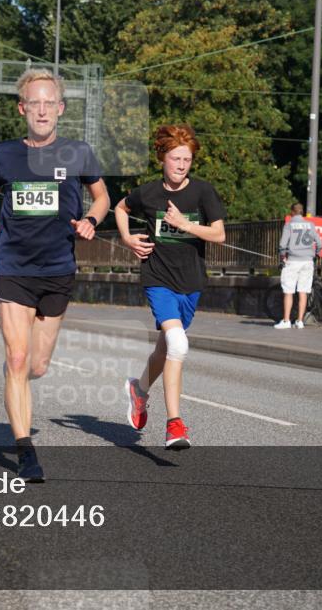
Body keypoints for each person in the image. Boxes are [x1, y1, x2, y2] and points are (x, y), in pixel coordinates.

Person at [0, 68, 109, 481]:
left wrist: (90, 220)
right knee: (17, 357)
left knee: (38, 365)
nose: (43, 110)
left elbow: (101, 196)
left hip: (57, 268)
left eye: (51, 103)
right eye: (36, 103)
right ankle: (25, 450)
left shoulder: (78, 152)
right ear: (23, 108)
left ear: (61, 109)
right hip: (14, 266)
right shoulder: (6, 154)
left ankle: (19, 379)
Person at [115, 124, 226, 449]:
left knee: (165, 349)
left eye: (187, 160)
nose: (181, 165)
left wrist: (186, 225)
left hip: (190, 281)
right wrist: (127, 238)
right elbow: (121, 208)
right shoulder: (147, 193)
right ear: (162, 158)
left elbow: (219, 234)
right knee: (178, 344)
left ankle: (139, 391)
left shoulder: (203, 192)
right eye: (175, 158)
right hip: (157, 277)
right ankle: (175, 424)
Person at [275, 202, 322, 329]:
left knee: (289, 291)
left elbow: (282, 245)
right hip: (307, 262)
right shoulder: (310, 225)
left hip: (293, 261)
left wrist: (282, 257)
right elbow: (319, 243)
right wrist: (316, 254)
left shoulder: (289, 225)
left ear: (292, 212)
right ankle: (300, 321)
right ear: (301, 212)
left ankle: (286, 321)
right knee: (303, 291)